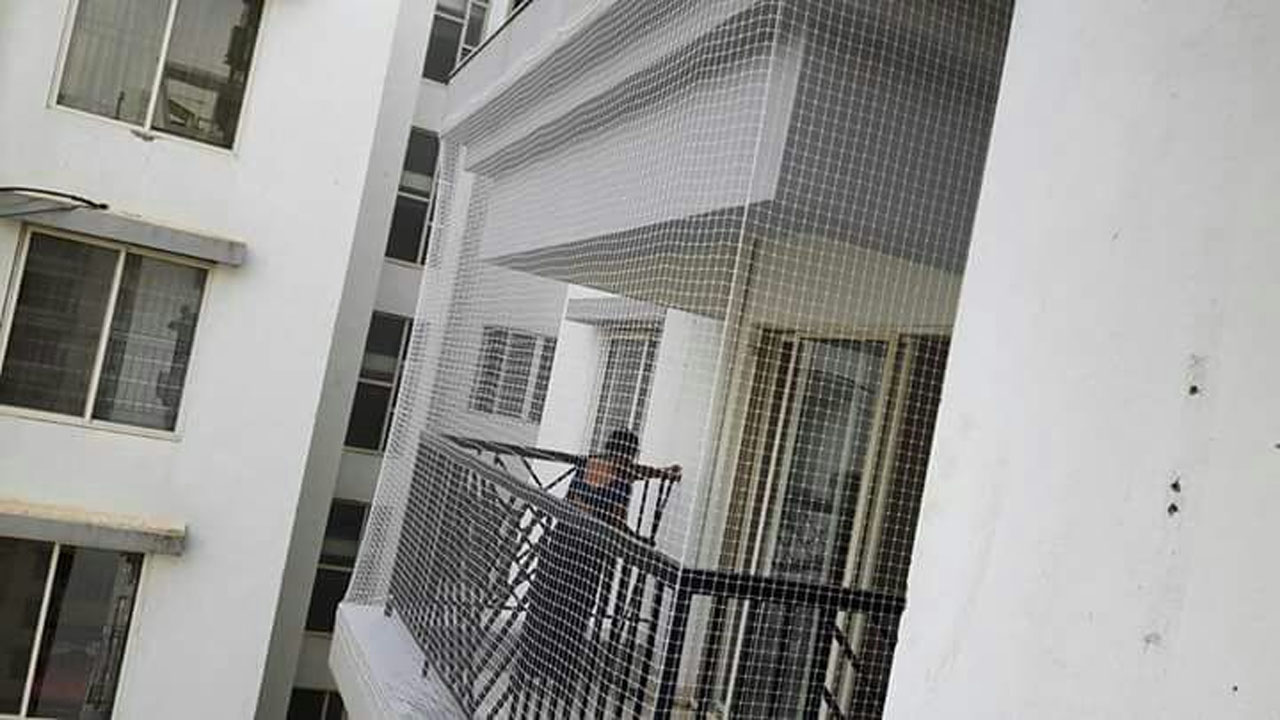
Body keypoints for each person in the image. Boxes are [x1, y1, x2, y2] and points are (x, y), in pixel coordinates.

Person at [518, 428, 681, 693]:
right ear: (628, 454)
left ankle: (527, 669)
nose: (632, 463)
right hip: (588, 554)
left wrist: (662, 473)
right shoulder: (621, 481)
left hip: (560, 543)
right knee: (575, 611)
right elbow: (614, 522)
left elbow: (634, 474)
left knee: (546, 604)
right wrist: (638, 541)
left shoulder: (588, 464)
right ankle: (561, 677)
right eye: (631, 457)